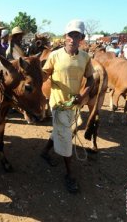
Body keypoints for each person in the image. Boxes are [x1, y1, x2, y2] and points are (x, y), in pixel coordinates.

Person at [40, 19, 96, 193]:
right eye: (70, 34)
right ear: (65, 36)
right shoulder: (54, 56)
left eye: (76, 35)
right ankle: (70, 175)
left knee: (60, 130)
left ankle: (44, 152)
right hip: (57, 103)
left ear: (82, 38)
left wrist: (83, 95)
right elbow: (44, 74)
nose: (73, 38)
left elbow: (91, 79)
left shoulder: (85, 57)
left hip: (74, 103)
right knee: (65, 135)